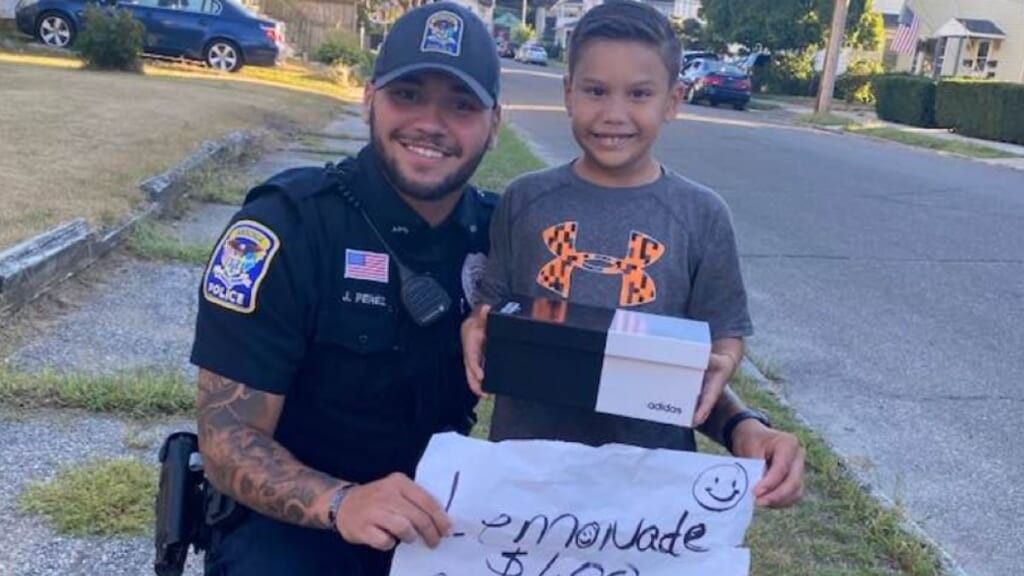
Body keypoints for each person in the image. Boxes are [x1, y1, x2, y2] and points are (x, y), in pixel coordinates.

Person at [189, 3, 502, 574]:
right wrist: (342, 503)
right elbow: (226, 436)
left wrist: (724, 421)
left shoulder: (506, 238)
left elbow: (619, 341)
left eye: (460, 105)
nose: (431, 123)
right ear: (369, 100)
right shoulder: (288, 228)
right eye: (407, 95)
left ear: (495, 125)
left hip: (442, 525)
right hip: (298, 525)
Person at [462, 0, 804, 508]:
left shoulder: (702, 214)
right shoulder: (525, 200)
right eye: (595, 91)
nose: (614, 114)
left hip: (650, 479)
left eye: (639, 94)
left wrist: (722, 366)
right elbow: (493, 306)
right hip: (530, 472)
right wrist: (478, 326)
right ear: (568, 94)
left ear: (673, 100)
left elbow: (724, 332)